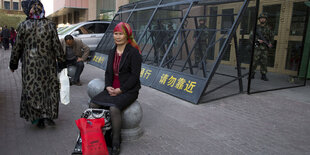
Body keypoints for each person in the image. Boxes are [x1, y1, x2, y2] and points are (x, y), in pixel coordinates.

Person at [9, 0, 66, 128]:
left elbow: (17, 47)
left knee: (32, 89)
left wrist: (13, 64)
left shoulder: (23, 26)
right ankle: (49, 115)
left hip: (30, 66)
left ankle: (36, 118)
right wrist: (62, 61)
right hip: (48, 64)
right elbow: (57, 45)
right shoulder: (50, 25)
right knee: (49, 89)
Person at [89, 22, 142, 155]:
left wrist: (121, 90)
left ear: (127, 35)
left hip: (129, 90)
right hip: (112, 87)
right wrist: (108, 86)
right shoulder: (112, 51)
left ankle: (116, 141)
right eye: (115, 34)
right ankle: (98, 137)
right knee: (93, 103)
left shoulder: (133, 52)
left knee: (114, 108)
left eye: (120, 34)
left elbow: (135, 76)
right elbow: (108, 72)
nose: (117, 37)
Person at [250, 13, 274, 81]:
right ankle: (252, 74)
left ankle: (263, 75)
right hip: (257, 47)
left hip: (265, 48)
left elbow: (272, 37)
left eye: (264, 18)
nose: (262, 19)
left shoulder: (269, 28)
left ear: (266, 19)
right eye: (261, 18)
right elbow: (251, 36)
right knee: (254, 61)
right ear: (259, 19)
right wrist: (257, 40)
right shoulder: (256, 27)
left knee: (264, 62)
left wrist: (270, 44)